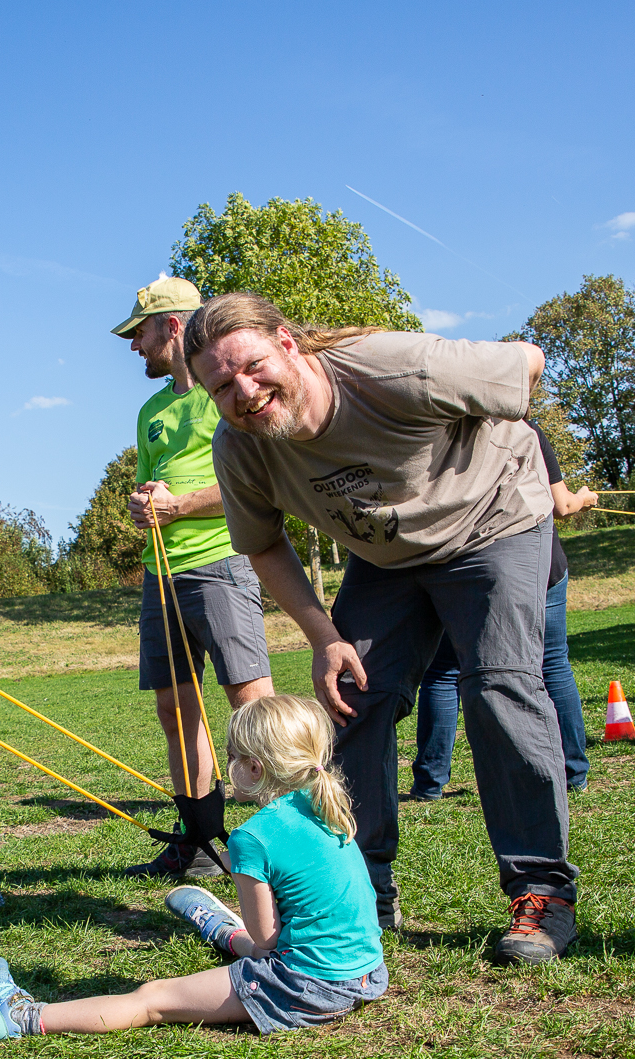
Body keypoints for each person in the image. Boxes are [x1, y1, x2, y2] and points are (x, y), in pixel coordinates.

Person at [183, 292, 578, 965]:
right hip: (388, 556)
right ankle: (362, 885)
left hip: (494, 520)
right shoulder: (242, 447)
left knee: (499, 686)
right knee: (349, 698)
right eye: (222, 386)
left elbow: (528, 362)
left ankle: (542, 894)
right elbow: (264, 545)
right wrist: (323, 635)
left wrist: (477, 445)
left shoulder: (391, 369)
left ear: (287, 342)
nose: (244, 392)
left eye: (251, 367)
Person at [0, 696, 385, 1039]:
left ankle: (19, 1019)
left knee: (151, 999)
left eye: (230, 756)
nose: (227, 764)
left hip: (306, 986)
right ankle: (225, 934)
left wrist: (249, 910)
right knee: (252, 947)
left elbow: (268, 939)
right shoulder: (327, 805)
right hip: (366, 973)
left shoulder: (253, 837)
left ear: (254, 768)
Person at [111, 278, 275, 879]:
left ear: (172, 326)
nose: (134, 346)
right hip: (161, 574)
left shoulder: (227, 393)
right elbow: (160, 487)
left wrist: (179, 504)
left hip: (220, 562)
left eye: (140, 333)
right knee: (176, 709)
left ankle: (280, 832)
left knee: (249, 704)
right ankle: (201, 841)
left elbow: (254, 479)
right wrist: (146, 506)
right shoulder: (152, 411)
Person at [407, 424, 597, 800]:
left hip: (449, 566)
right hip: (533, 567)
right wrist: (585, 497)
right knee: (552, 664)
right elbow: (563, 506)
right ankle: (573, 772)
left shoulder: (431, 428)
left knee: (442, 674)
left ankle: (430, 784)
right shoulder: (526, 430)